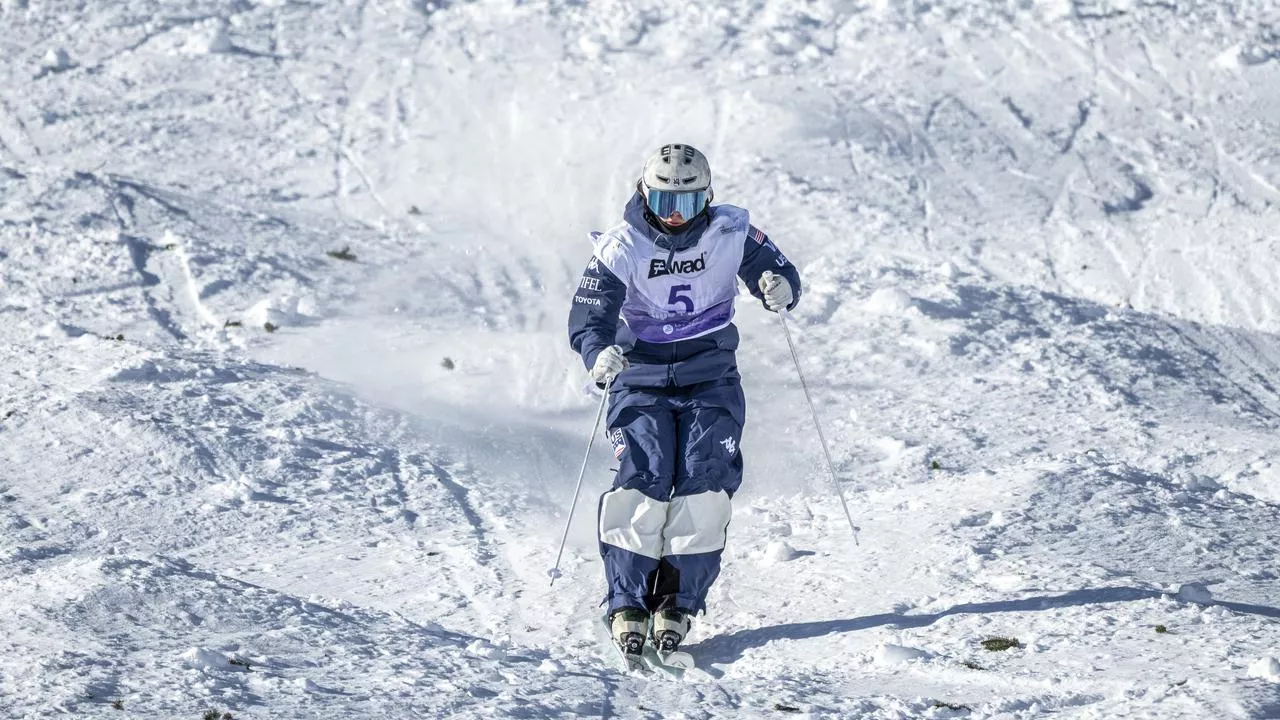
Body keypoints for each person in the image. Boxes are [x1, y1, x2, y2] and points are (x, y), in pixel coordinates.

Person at [567, 143, 802, 659]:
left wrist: (778, 286)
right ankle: (628, 599)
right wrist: (598, 352)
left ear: (708, 198)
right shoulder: (621, 245)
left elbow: (781, 271)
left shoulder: (730, 232)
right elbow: (590, 316)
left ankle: (678, 599)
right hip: (640, 377)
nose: (675, 217)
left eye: (690, 205)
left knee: (704, 478)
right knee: (645, 475)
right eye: (664, 202)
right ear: (642, 193)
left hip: (710, 374)